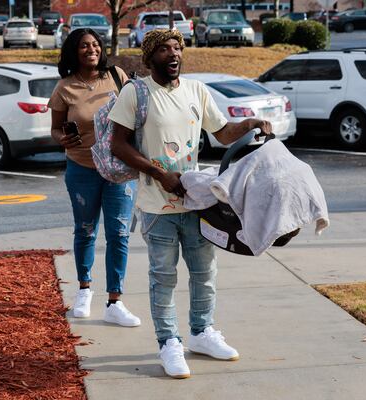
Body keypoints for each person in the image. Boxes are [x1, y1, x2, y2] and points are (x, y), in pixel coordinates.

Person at [109, 29, 272, 378]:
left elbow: (223, 131)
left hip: (197, 202)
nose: (174, 54)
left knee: (204, 273)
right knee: (163, 277)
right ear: (149, 58)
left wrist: (251, 124)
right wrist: (158, 172)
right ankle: (169, 342)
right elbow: (117, 145)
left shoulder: (196, 90)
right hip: (158, 206)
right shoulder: (135, 93)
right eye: (165, 49)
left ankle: (201, 333)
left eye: (177, 48)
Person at [48, 28, 141, 327]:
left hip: (118, 170)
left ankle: (115, 301)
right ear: (74, 51)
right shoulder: (65, 87)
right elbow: (55, 128)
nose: (92, 49)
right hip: (82, 169)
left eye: (96, 45)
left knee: (119, 234)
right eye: (85, 46)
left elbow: (136, 113)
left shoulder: (116, 77)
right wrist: (61, 139)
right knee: (86, 230)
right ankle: (84, 290)